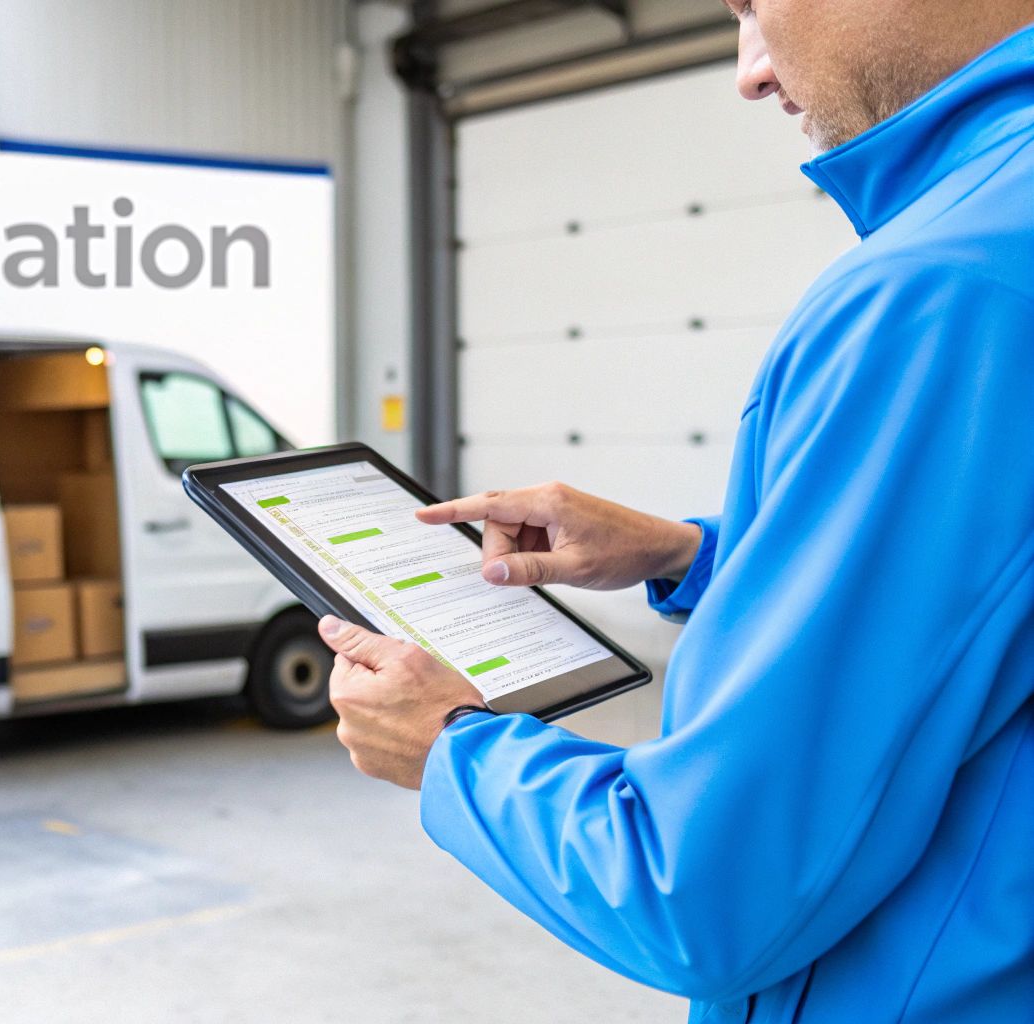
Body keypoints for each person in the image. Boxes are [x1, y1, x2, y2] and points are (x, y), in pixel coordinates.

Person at [320, 2, 1034, 1020]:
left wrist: (445, 745)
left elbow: (699, 890)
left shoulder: (938, 291)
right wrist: (691, 554)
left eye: (751, 5)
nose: (747, 71)